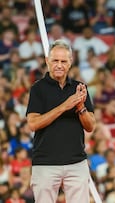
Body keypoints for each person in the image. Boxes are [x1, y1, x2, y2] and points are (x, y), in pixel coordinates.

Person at [26, 39, 96, 203]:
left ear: (70, 62)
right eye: (55, 60)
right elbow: (33, 124)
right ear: (47, 61)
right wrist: (65, 106)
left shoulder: (79, 87)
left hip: (76, 162)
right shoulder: (38, 88)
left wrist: (80, 107)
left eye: (63, 61)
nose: (59, 65)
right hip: (45, 163)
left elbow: (90, 126)